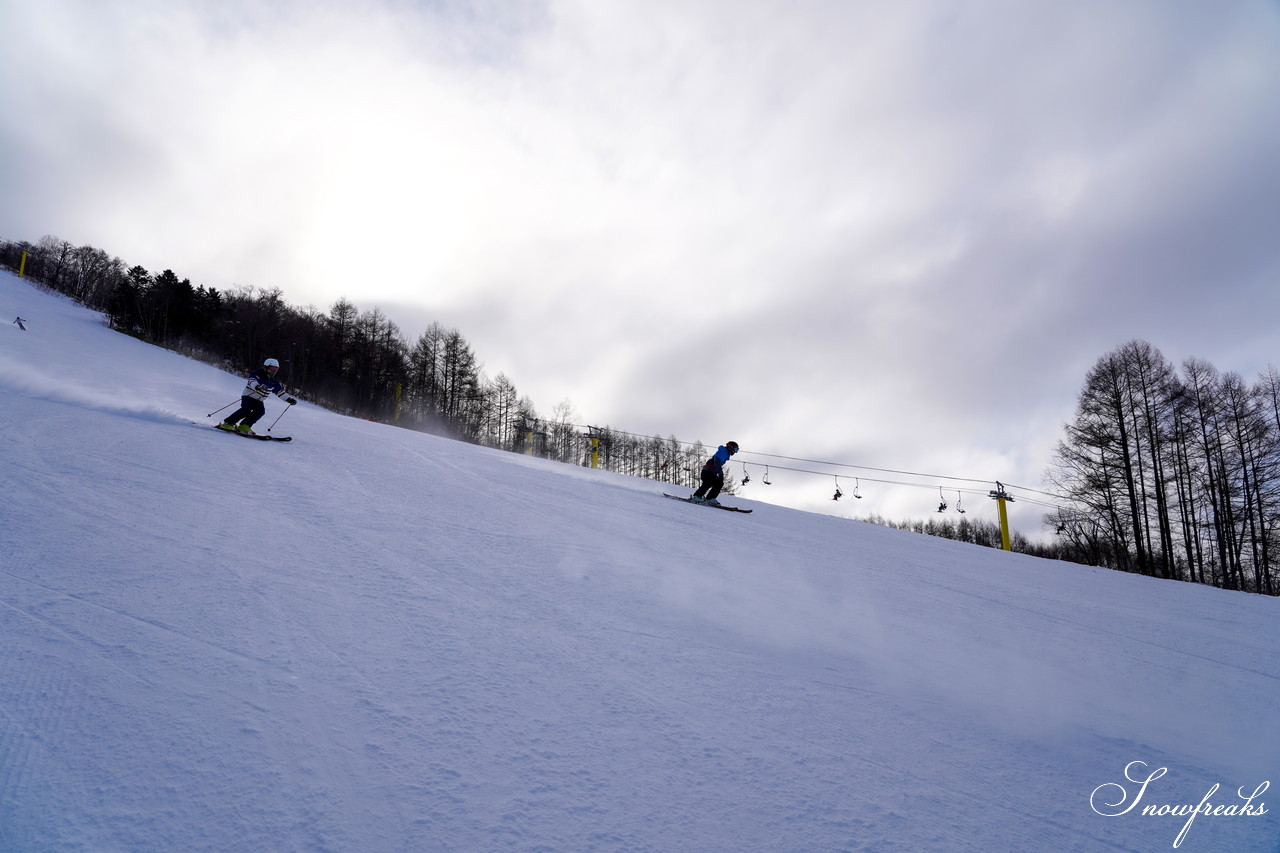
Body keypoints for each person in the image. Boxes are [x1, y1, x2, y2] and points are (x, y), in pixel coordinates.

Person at [218, 358, 296, 434]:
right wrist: (257, 386)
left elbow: (279, 391)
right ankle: (228, 423)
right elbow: (252, 381)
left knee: (260, 412)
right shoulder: (258, 373)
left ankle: (245, 425)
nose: (274, 371)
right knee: (246, 410)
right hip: (249, 395)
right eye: (272, 369)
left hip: (259, 399)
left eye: (276, 369)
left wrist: (288, 399)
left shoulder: (274, 380)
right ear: (266, 367)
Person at [691, 441, 739, 505]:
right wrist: (720, 472)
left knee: (719, 483)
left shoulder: (725, 453)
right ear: (730, 447)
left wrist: (719, 472)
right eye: (735, 449)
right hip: (707, 471)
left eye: (737, 450)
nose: (735, 452)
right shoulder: (723, 451)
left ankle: (710, 499)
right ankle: (697, 496)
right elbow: (716, 461)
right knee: (709, 482)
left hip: (711, 471)